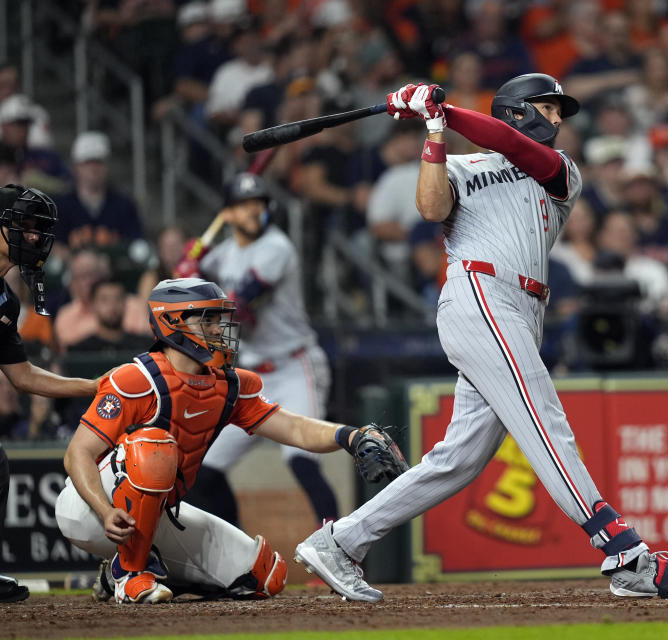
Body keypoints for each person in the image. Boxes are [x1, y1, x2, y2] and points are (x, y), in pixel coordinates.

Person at [294, 75, 668, 602]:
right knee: (546, 423)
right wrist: (433, 128)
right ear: (518, 109)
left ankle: (341, 542)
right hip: (479, 293)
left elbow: (511, 144)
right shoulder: (458, 165)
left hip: (522, 308)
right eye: (549, 107)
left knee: (460, 459)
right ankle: (627, 555)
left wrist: (442, 110)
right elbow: (430, 209)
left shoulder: (561, 173)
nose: (558, 119)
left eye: (560, 111)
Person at [54, 277, 407, 604]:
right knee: (153, 448)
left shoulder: (229, 385)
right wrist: (103, 512)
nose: (217, 329)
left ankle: (142, 571)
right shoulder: (136, 378)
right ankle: (128, 573)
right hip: (91, 510)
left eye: (217, 320)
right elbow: (77, 455)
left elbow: (295, 428)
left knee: (265, 575)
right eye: (206, 320)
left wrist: (351, 436)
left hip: (157, 515)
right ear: (172, 322)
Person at [175, 174, 339, 531]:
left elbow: (238, 305)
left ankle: (342, 550)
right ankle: (239, 558)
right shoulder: (224, 254)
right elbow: (184, 290)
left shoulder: (277, 247)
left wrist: (193, 281)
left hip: (295, 366)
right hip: (252, 375)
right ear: (228, 214)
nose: (254, 210)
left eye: (259, 203)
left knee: (302, 460)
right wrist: (188, 267)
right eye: (244, 205)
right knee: (203, 471)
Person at [0, 184, 107, 603]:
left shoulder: (6, 303)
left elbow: (23, 376)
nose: (33, 237)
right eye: (22, 227)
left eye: (37, 230)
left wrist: (93, 385)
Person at [53, 132, 144, 251]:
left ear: (107, 166)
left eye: (99, 162)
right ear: (76, 167)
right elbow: (53, 249)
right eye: (87, 162)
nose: (93, 168)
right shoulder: (60, 206)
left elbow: (137, 247)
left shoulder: (124, 205)